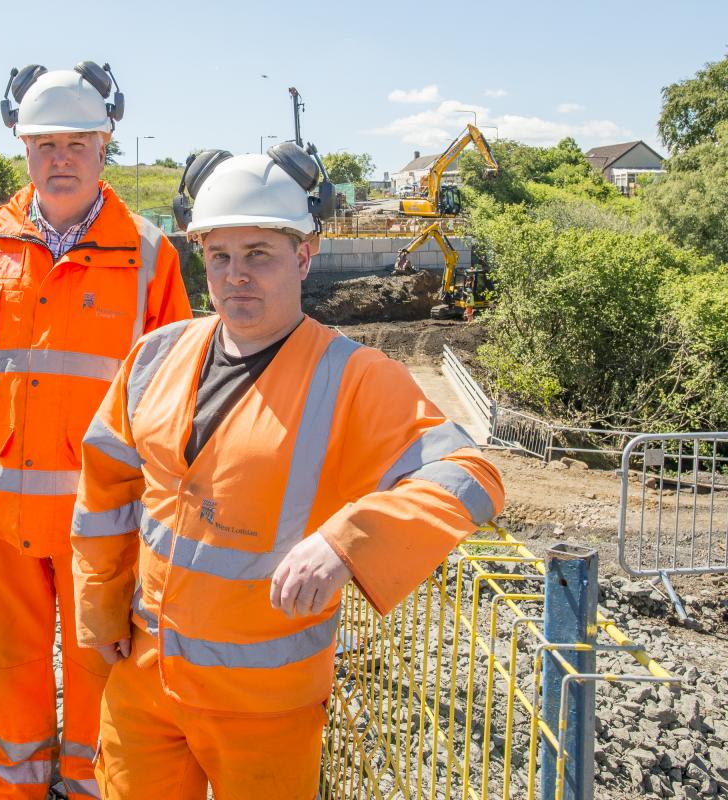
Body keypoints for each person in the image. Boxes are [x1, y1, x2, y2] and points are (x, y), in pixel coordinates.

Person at [71, 146, 506, 799]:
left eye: (259, 255)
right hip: (145, 680)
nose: (236, 275)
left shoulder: (353, 378)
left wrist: (349, 540)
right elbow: (106, 490)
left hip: (264, 702)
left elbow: (469, 474)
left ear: (304, 257)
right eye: (220, 256)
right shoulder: (156, 356)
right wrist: (100, 604)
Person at [0, 62, 192, 798]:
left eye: (77, 142)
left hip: (104, 520)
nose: (60, 158)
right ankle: (15, 789)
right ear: (21, 148)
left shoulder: (151, 253)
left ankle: (92, 786)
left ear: (105, 146)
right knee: (9, 665)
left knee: (102, 664)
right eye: (45, 144)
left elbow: (176, 392)